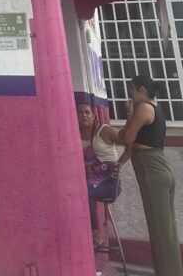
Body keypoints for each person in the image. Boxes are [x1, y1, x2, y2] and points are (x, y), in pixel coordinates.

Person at [119, 73, 182, 275]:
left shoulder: (144, 108)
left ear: (142, 90)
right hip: (158, 170)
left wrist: (129, 113)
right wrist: (119, 163)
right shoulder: (153, 108)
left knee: (161, 233)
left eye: (132, 89)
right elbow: (132, 144)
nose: (130, 93)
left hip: (152, 171)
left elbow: (127, 138)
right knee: (164, 231)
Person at [77, 102, 123, 254]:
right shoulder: (74, 134)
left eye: (87, 112)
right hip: (92, 180)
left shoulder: (104, 131)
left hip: (110, 181)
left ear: (94, 116)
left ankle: (95, 232)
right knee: (79, 191)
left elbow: (129, 142)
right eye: (80, 112)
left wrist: (119, 163)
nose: (84, 115)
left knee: (85, 191)